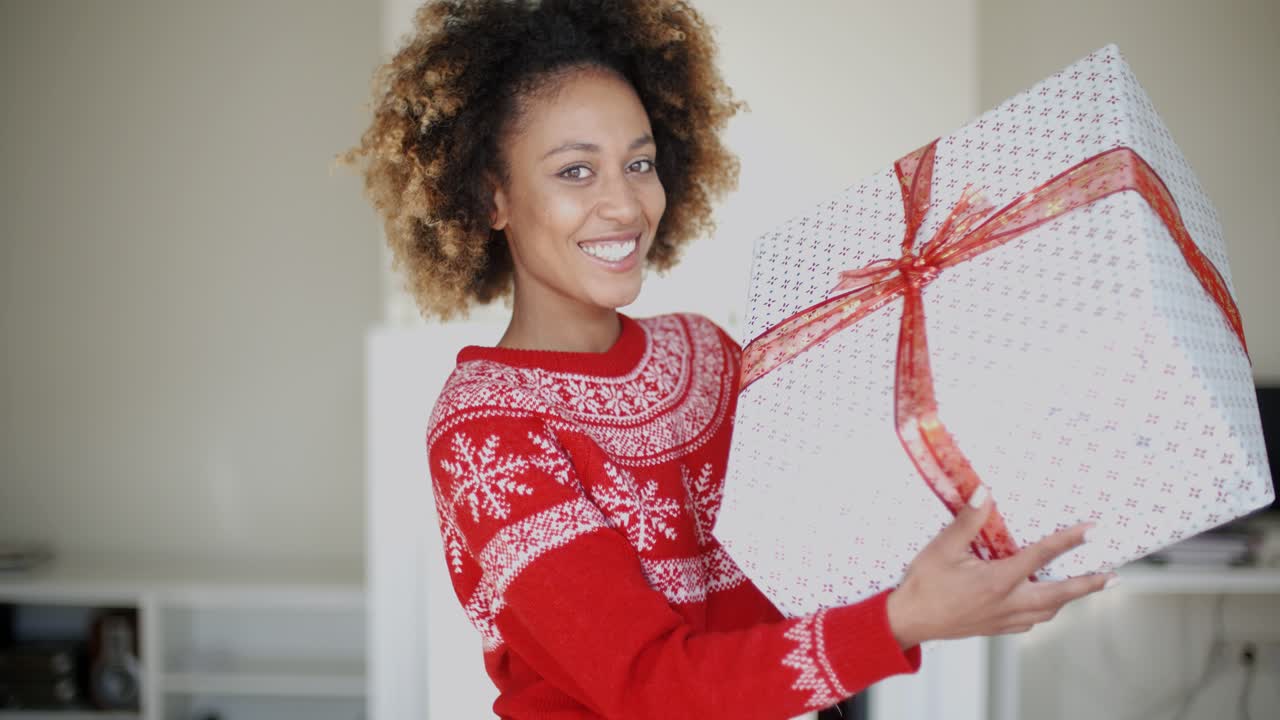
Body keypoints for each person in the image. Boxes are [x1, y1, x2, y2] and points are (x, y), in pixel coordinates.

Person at [340, 1, 1115, 717]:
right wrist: (904, 619)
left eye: (639, 163)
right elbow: (654, 686)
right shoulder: (486, 431)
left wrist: (979, 543)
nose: (623, 203)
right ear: (491, 196)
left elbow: (825, 540)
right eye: (575, 170)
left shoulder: (703, 352)